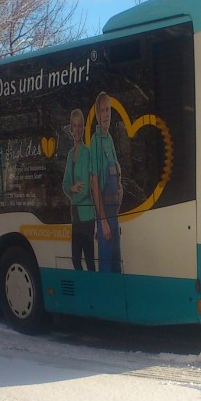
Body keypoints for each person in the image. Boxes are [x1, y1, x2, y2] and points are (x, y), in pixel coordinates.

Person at [90, 92, 123, 273]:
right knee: (106, 266)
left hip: (114, 213)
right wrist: (102, 221)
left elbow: (116, 170)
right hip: (104, 215)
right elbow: (95, 184)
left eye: (108, 110)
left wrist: (120, 187)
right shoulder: (95, 142)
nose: (106, 114)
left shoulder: (109, 139)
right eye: (102, 110)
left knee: (116, 262)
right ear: (97, 114)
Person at [61, 108, 95, 271]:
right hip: (75, 217)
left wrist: (73, 197)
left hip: (87, 215)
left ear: (83, 128)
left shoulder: (88, 153)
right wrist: (72, 188)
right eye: (74, 126)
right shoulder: (69, 155)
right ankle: (85, 290)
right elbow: (65, 183)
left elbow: (87, 187)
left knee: (89, 260)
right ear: (71, 129)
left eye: (80, 126)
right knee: (75, 260)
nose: (77, 130)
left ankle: (93, 291)